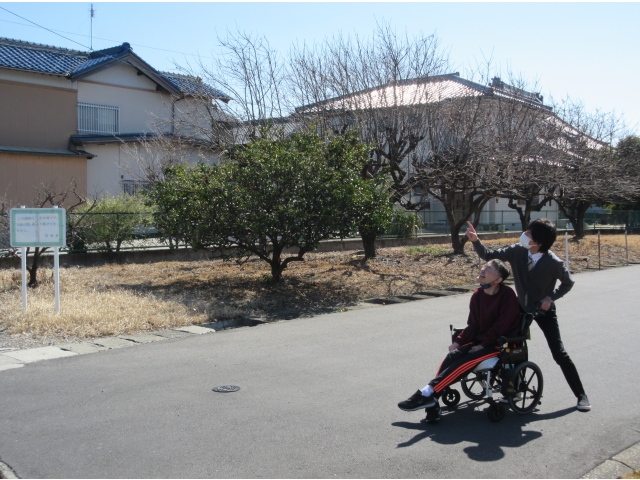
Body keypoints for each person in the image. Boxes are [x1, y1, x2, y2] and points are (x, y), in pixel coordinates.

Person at [465, 218, 590, 412]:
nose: (524, 234)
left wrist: (550, 298)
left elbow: (568, 283)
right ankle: (514, 389)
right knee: (513, 347)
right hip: (521, 308)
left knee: (559, 353)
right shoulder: (518, 251)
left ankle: (581, 395)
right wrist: (475, 240)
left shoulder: (553, 263)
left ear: (538, 242)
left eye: (529, 233)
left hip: (544, 311)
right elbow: (488, 254)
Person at [398, 259, 520, 422]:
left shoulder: (507, 296)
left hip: (502, 344)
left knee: (467, 361)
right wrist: (458, 342)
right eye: (484, 266)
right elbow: (473, 325)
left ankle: (427, 393)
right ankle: (432, 398)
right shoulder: (477, 295)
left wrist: (483, 345)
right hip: (481, 342)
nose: (483, 269)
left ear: (498, 280)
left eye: (488, 268)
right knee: (452, 356)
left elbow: (501, 327)